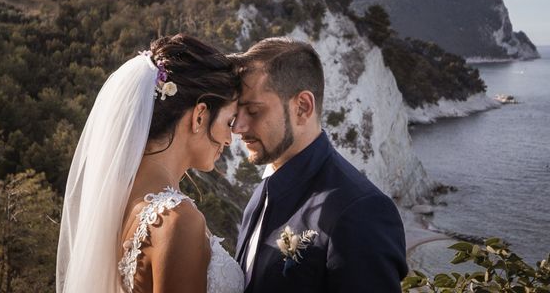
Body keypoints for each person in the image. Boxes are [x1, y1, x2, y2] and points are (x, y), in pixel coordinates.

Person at [56, 34, 245, 293]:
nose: (229, 139)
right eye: (229, 122)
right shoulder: (178, 220)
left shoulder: (120, 201)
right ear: (200, 116)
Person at [231, 37, 408, 292]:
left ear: (302, 107)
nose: (238, 127)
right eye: (237, 112)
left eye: (254, 111)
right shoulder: (264, 190)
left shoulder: (360, 211)